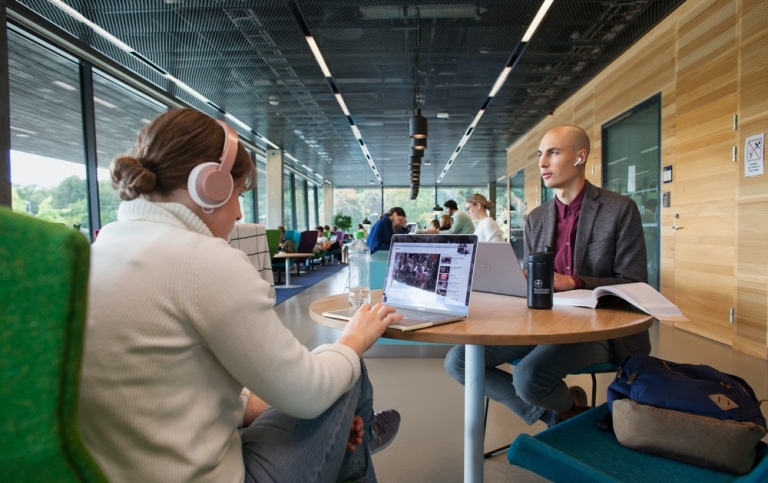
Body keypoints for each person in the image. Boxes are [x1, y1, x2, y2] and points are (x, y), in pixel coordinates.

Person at [77, 108, 404, 482]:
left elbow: (173, 381)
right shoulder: (203, 260)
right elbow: (308, 394)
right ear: (209, 186)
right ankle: (352, 452)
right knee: (349, 367)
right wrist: (355, 338)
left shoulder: (96, 252)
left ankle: (346, 448)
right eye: (236, 195)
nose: (236, 213)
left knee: (335, 384)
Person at [445, 125, 649, 428]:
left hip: (599, 328)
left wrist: (575, 281)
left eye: (553, 153)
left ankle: (561, 413)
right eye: (541, 154)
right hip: (541, 322)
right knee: (458, 361)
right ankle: (560, 413)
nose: (542, 163)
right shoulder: (536, 218)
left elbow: (634, 282)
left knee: (528, 377)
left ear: (580, 157)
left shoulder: (619, 210)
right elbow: (537, 281)